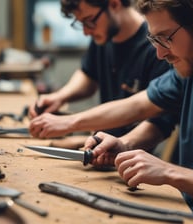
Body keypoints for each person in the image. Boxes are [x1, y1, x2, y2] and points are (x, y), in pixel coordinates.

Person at [82, 0, 193, 223]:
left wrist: (169, 173)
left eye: (165, 38)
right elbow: (140, 103)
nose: (159, 54)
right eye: (153, 39)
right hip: (185, 213)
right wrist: (124, 144)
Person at [28, 0, 176, 149]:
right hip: (100, 145)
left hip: (133, 157)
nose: (86, 32)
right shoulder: (104, 35)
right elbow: (88, 75)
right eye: (81, 23)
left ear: (114, 4)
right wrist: (60, 96)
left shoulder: (158, 49)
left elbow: (157, 119)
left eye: (89, 21)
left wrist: (123, 144)